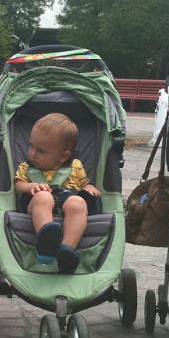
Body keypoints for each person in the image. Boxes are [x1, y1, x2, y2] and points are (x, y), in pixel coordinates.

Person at [14, 113, 101, 273]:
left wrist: (89, 188)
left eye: (41, 150)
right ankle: (45, 241)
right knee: (44, 197)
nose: (32, 153)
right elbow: (18, 184)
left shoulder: (75, 166)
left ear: (63, 156)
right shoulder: (27, 167)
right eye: (31, 146)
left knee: (78, 203)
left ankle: (67, 249)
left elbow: (84, 183)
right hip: (37, 203)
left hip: (67, 200)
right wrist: (30, 186)